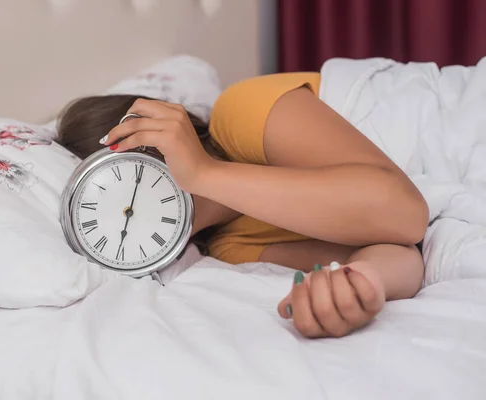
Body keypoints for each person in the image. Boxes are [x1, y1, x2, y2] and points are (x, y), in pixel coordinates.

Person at [56, 73, 428, 338]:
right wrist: (360, 285)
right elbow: (401, 245)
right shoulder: (232, 249)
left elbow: (407, 213)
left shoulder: (241, 113)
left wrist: (203, 173)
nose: (128, 214)